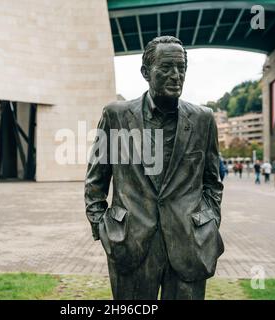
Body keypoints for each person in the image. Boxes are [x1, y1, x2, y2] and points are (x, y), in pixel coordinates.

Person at [85, 36, 224, 300]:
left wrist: (210, 222)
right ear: (146, 72)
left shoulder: (203, 119)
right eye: (167, 67)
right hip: (130, 245)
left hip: (189, 244)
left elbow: (212, 181)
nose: (176, 75)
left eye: (181, 67)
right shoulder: (115, 116)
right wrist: (104, 228)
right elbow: (95, 182)